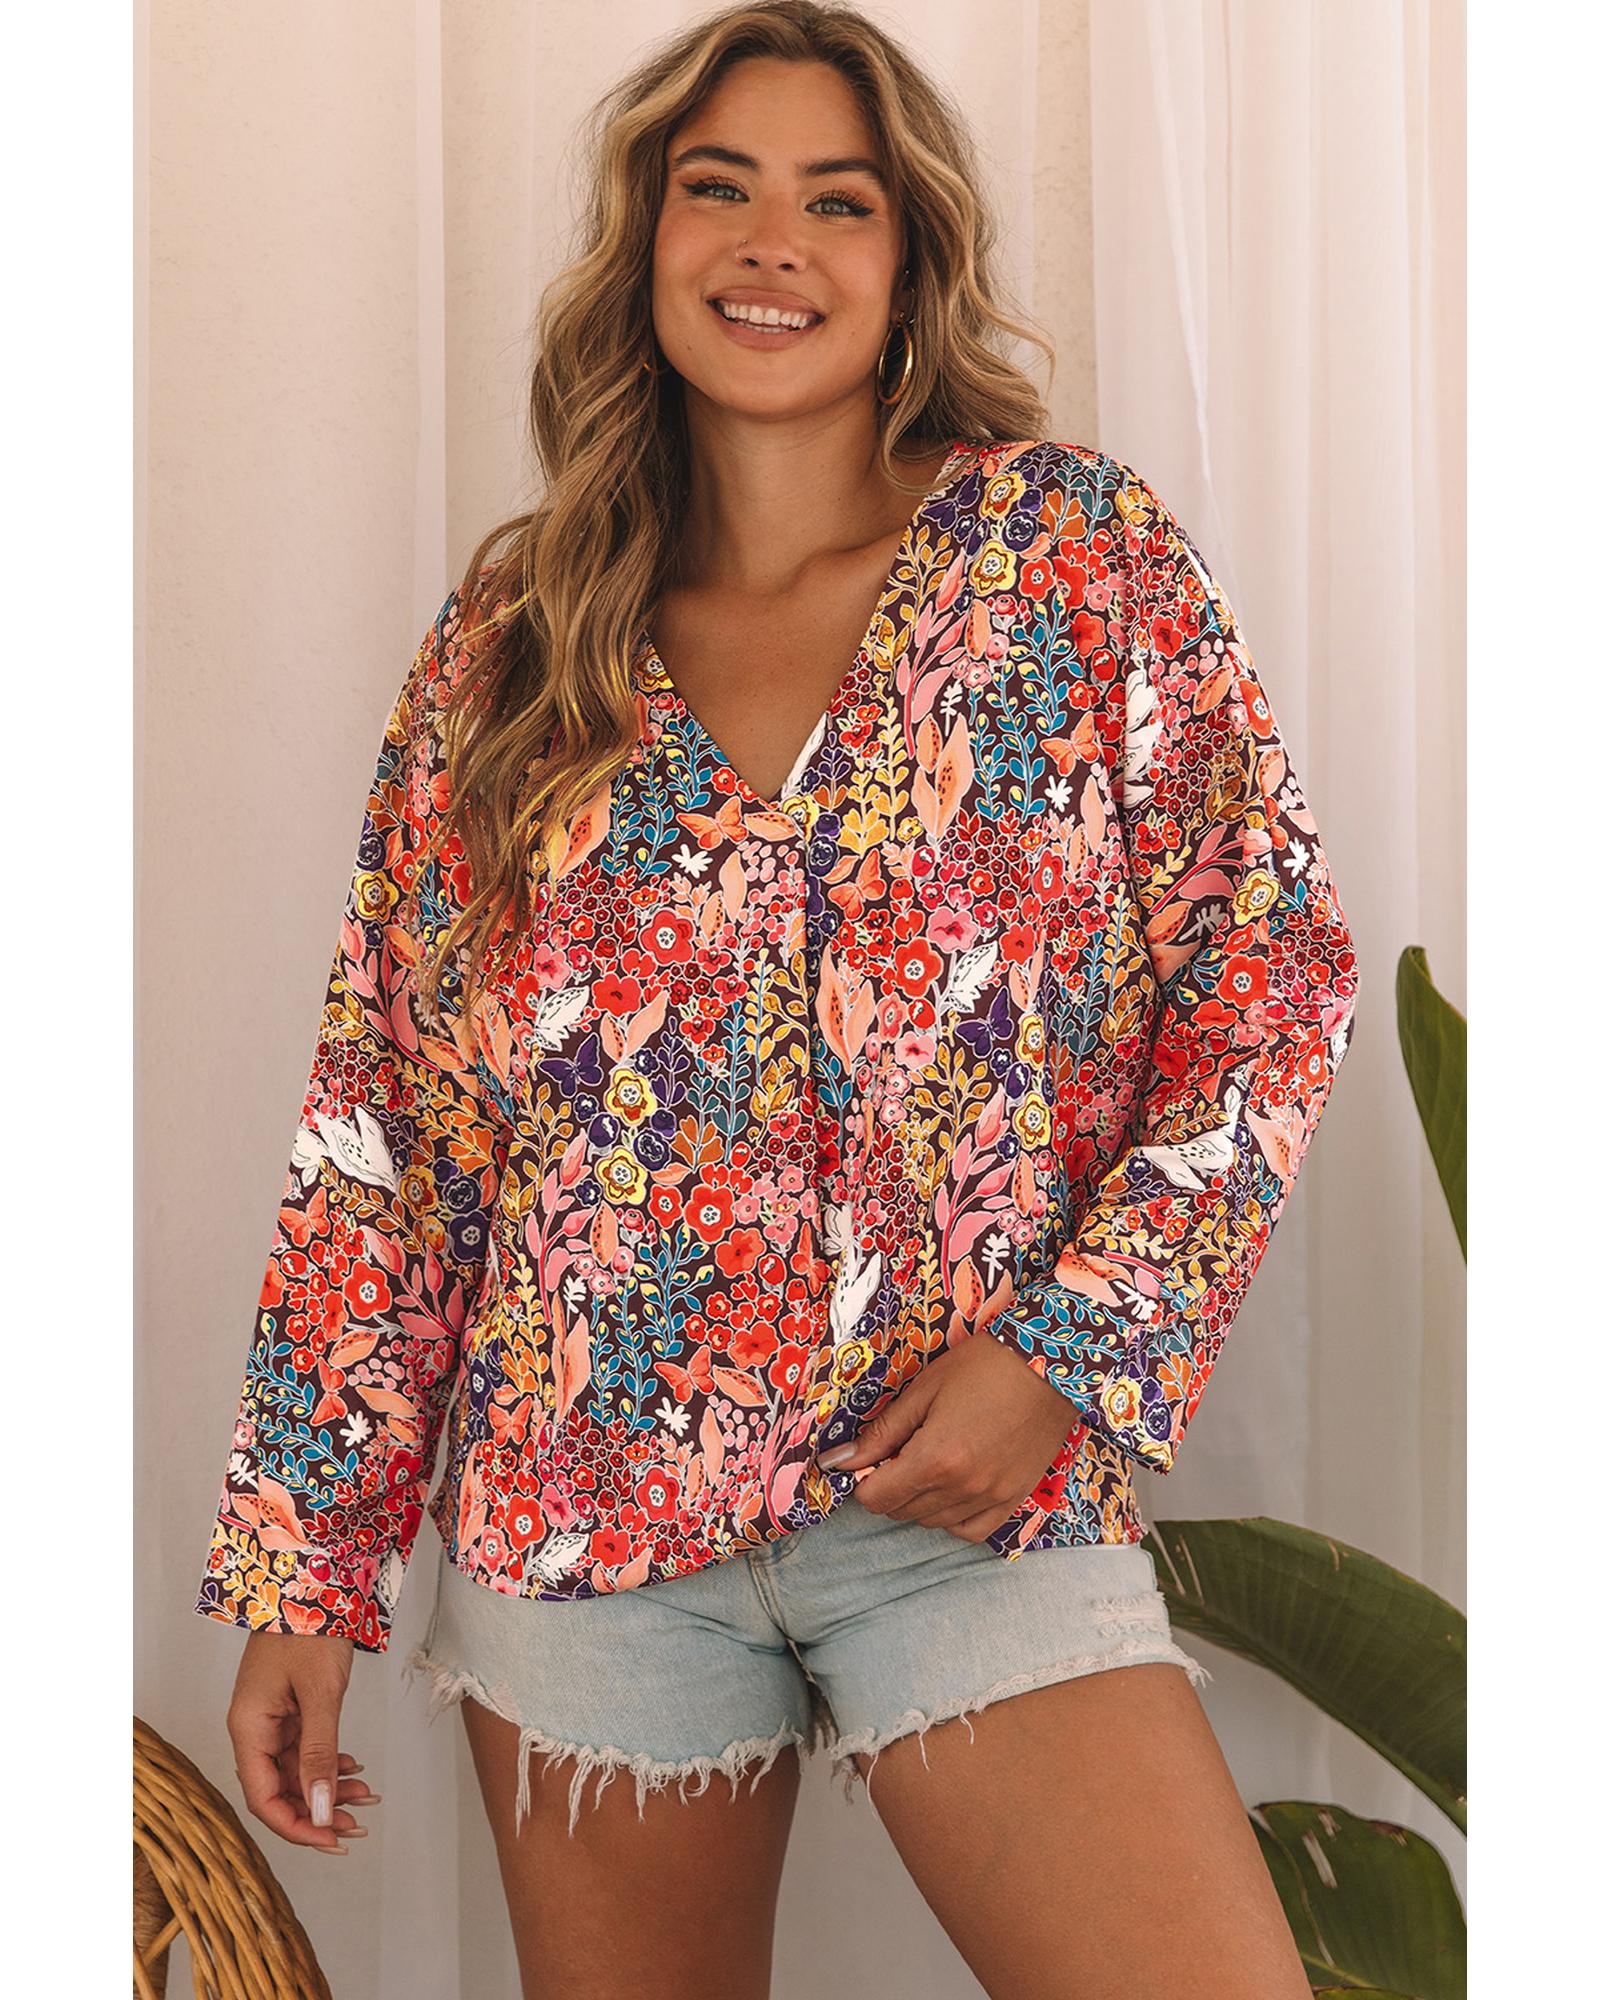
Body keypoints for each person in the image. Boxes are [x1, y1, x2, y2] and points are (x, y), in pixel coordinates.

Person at [193, 5, 1359, 1994]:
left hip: (964, 1498)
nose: (770, 245)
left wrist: (1067, 1357)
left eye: (837, 202)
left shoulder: (1065, 560)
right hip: (588, 1521)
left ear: (909, 262)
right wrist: (306, 1564)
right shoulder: (513, 643)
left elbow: (1271, 983)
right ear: (645, 239)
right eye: (717, 188)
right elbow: (392, 1122)